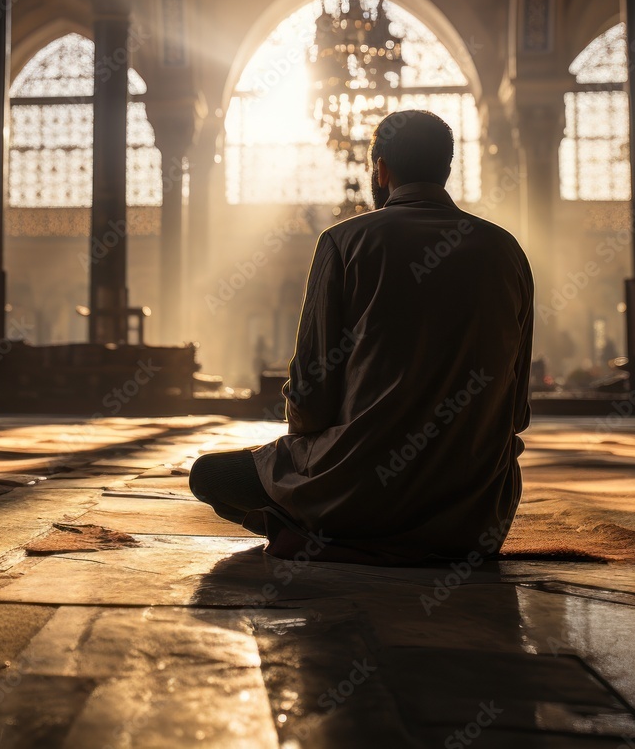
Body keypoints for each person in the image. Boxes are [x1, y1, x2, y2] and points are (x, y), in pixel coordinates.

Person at [189, 110, 534, 564]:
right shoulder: (506, 249)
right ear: (446, 169)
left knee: (208, 475)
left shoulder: (344, 241)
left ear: (382, 169)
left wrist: (316, 453)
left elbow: (310, 398)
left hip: (357, 498)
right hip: (474, 517)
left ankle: (327, 533)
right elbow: (517, 411)